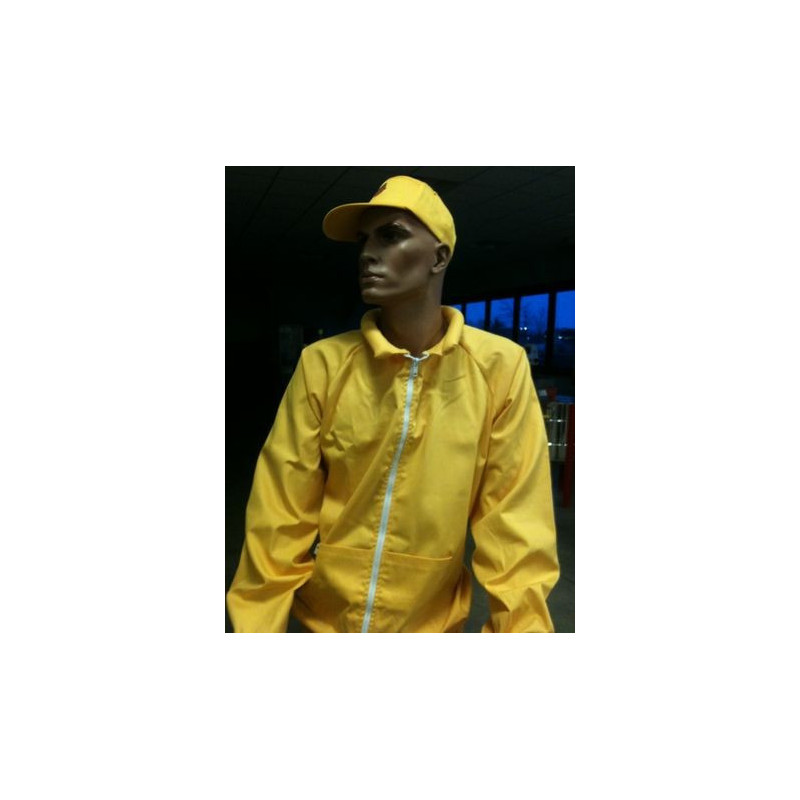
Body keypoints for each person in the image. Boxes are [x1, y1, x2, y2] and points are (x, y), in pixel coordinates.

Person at [226, 175, 560, 633]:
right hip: (324, 623)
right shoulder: (323, 364)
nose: (367, 253)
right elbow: (278, 518)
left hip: (430, 627)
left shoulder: (499, 368)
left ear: (439, 257)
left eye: (390, 235)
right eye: (364, 240)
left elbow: (516, 531)